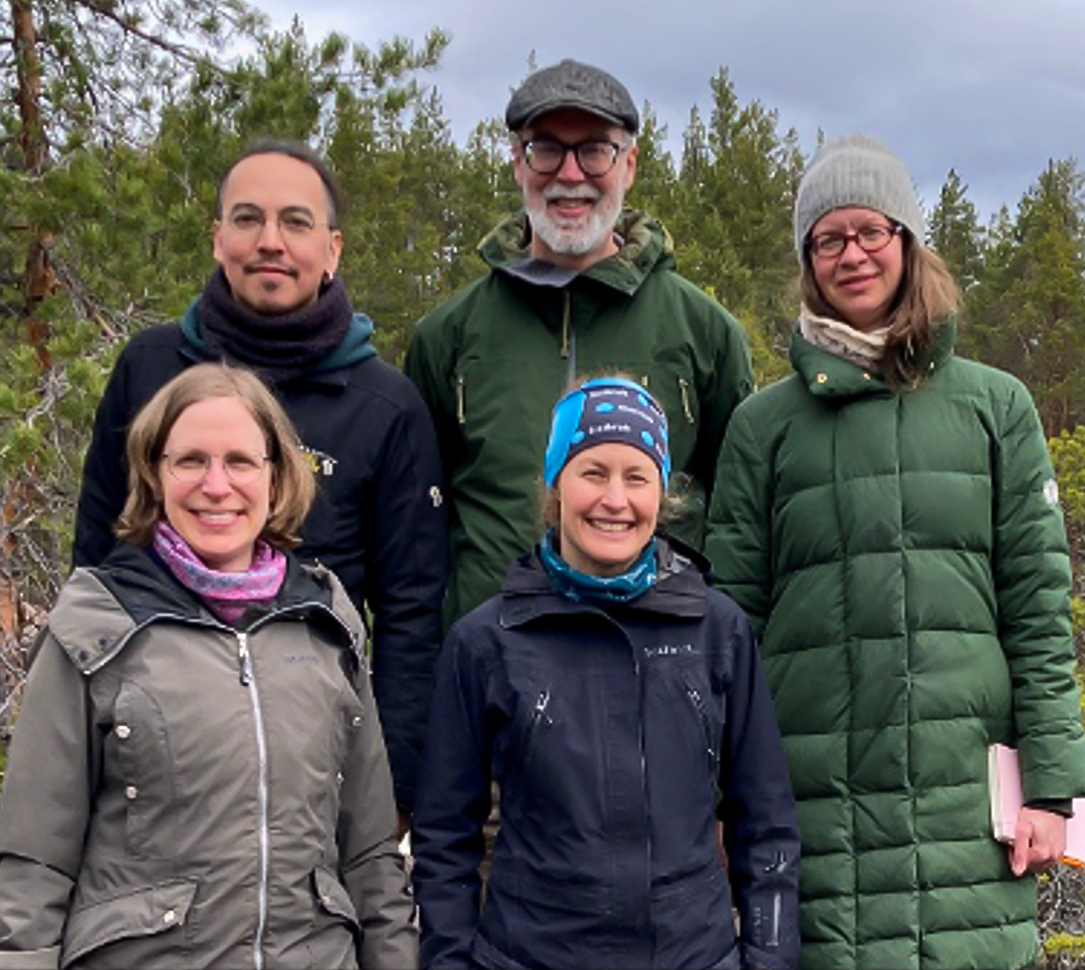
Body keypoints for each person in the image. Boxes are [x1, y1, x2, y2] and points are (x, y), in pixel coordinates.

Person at [704, 135, 1085, 970]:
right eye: (828, 239)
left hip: (963, 799)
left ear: (908, 243)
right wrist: (719, 799)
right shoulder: (760, 429)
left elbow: (1037, 608)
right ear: (808, 261)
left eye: (871, 232)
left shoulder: (998, 408)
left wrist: (1053, 789)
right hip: (811, 796)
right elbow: (728, 634)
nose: (852, 255)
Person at [0, 364, 415, 970]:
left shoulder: (326, 624)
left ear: (276, 476)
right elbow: (34, 864)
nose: (217, 485)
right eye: (190, 461)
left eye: (240, 460)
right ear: (154, 473)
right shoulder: (95, 626)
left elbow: (369, 854)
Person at [72, 138, 445, 824]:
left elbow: (411, 617)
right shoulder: (149, 370)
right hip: (150, 747)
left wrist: (392, 793)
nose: (269, 241)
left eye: (295, 222)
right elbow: (95, 562)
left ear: (332, 249)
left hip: (312, 748)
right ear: (218, 239)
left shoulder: (384, 406)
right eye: (247, 219)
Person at [412, 377, 800, 970]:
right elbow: (443, 839)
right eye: (593, 472)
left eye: (637, 477)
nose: (614, 500)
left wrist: (769, 961)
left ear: (662, 492)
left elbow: (765, 823)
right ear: (555, 483)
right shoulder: (484, 642)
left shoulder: (717, 631)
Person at [404, 58, 754, 630]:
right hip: (496, 678)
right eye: (546, 149)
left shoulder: (705, 333)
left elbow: (741, 524)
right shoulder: (448, 337)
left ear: (630, 164)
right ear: (517, 162)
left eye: (594, 149)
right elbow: (418, 533)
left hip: (660, 668)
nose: (570, 174)